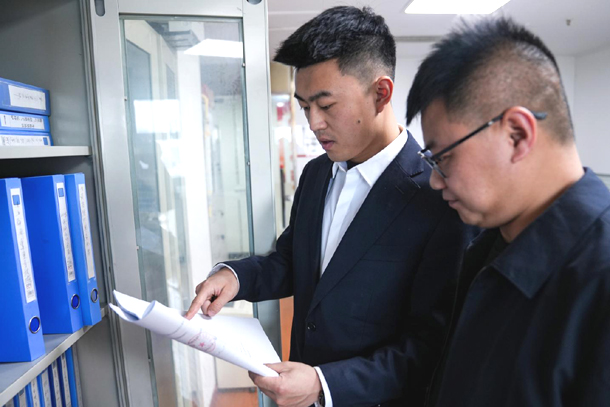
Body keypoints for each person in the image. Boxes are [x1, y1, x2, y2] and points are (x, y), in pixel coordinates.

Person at [187, 6, 474, 407]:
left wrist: (324, 384)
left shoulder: (439, 198)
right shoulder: (317, 173)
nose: (313, 123)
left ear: (381, 94)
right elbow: (294, 261)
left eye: (326, 105)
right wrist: (236, 277)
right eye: (305, 107)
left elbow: (430, 347)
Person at [406, 16, 610, 407]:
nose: (434, 181)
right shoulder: (488, 248)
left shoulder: (598, 278)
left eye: (443, 157)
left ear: (517, 134)